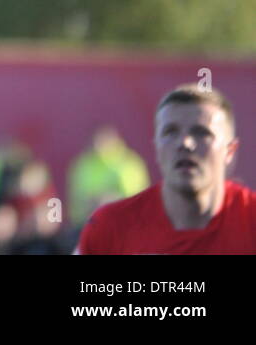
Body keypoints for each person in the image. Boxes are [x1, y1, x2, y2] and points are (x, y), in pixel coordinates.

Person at [76, 84, 256, 254]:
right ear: (156, 146)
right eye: (170, 132)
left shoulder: (250, 219)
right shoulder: (110, 227)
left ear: (230, 151)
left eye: (201, 132)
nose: (184, 143)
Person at [66, 126, 149, 225]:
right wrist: (92, 203)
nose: (100, 145)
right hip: (90, 223)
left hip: (125, 222)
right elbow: (77, 203)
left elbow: (137, 200)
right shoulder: (84, 164)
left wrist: (111, 200)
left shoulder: (130, 163)